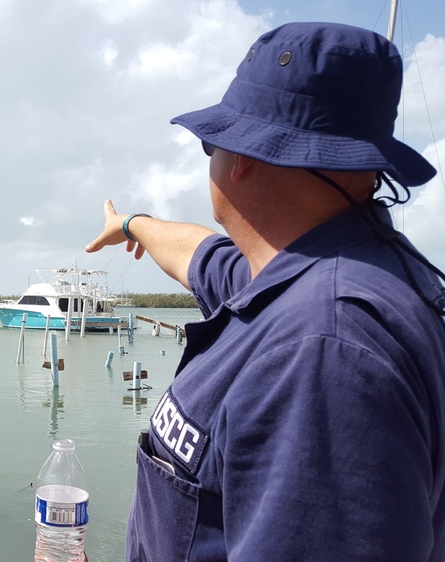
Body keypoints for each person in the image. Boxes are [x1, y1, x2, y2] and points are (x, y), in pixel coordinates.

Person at [85, 23, 445, 561]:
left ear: (246, 155)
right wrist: (133, 224)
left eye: (213, 140)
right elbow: (199, 255)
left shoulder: (323, 350)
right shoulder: (304, 277)